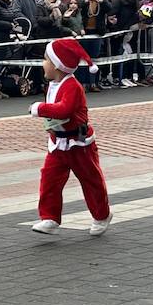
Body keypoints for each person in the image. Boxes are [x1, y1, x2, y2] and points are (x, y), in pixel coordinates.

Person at [29, 38, 111, 237]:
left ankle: (102, 215)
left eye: (46, 59)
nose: (43, 64)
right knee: (49, 179)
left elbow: (64, 109)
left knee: (90, 179)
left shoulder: (72, 86)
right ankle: (49, 217)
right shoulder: (53, 84)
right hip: (58, 143)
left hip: (79, 143)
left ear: (57, 65)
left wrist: (39, 108)